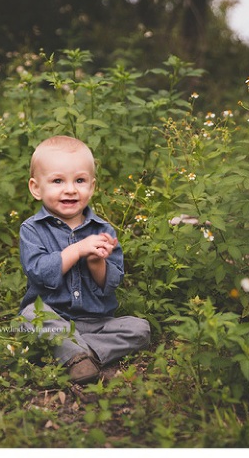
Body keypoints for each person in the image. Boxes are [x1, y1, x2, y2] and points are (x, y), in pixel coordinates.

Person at [18, 135, 151, 384]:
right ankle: (76, 353)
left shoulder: (104, 231)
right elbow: (39, 272)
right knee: (30, 316)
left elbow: (111, 283)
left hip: (96, 323)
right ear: (36, 188)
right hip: (54, 317)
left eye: (79, 180)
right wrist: (78, 250)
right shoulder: (32, 229)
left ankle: (77, 354)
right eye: (57, 181)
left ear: (91, 187)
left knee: (140, 329)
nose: (70, 189)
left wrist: (95, 262)